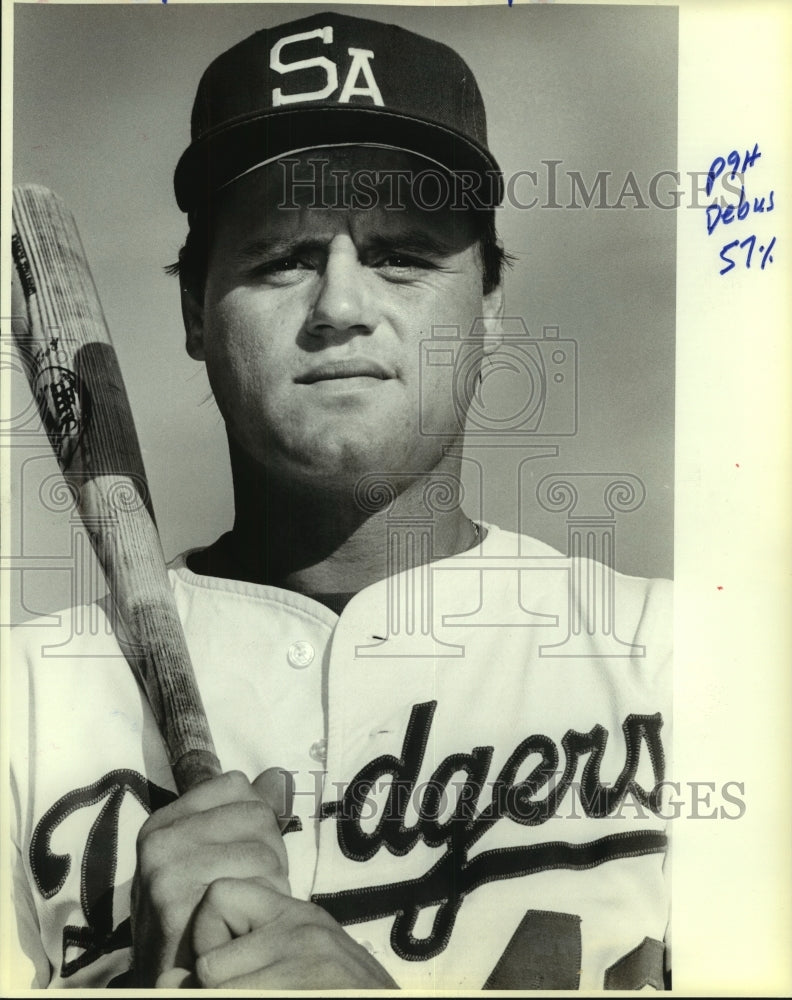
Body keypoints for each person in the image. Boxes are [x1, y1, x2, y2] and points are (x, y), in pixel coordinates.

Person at [10, 11, 672, 991]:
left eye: (403, 255)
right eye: (282, 256)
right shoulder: (26, 704)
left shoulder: (681, 661)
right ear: (195, 309)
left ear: (489, 304)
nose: (340, 305)